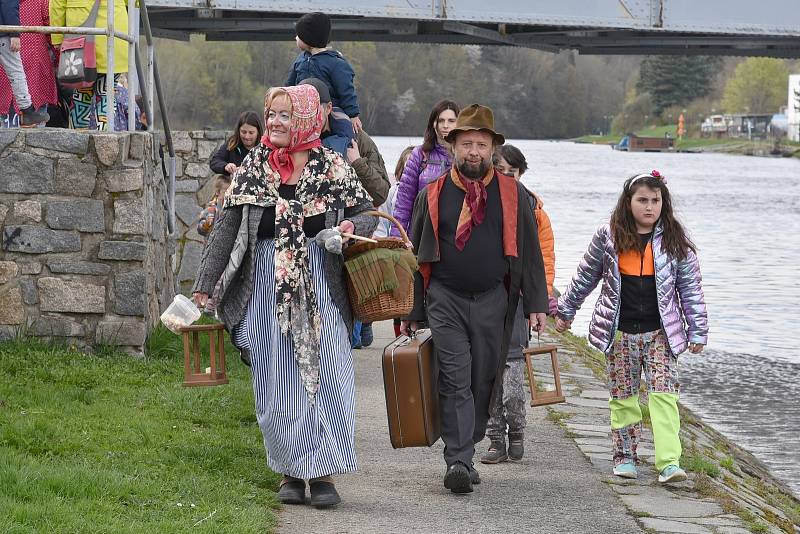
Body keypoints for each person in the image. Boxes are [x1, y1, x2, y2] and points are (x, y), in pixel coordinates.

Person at [192, 85, 376, 508]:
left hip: (321, 287)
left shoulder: (332, 167)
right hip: (265, 288)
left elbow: (366, 213)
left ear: (308, 119)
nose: (273, 122)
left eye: (284, 116)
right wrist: (204, 284)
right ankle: (290, 473)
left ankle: (324, 474)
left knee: (328, 379)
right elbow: (225, 229)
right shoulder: (254, 165)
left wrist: (350, 230)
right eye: (270, 114)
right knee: (277, 384)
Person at [400, 104, 549, 494]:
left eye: (481, 145)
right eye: (466, 144)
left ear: (492, 149)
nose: (473, 152)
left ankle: (467, 447)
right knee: (454, 377)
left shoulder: (513, 193)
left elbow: (531, 252)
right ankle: (458, 461)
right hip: (445, 298)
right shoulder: (432, 194)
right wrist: (413, 311)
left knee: (484, 378)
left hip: (493, 300)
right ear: (452, 146)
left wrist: (537, 304)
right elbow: (416, 255)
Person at [555, 170, 708, 484]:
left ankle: (669, 462)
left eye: (655, 200)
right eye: (642, 200)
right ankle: (625, 458)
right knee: (624, 397)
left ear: (663, 204)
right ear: (628, 202)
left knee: (664, 395)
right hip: (621, 331)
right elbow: (585, 276)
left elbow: (691, 289)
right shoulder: (608, 235)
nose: (649, 207)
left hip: (660, 334)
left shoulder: (675, 240)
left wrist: (698, 330)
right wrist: (566, 310)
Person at [481, 144, 557, 464]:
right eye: (501, 171)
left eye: (513, 173)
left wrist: (543, 297)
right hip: (486, 297)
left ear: (520, 174)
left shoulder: (534, 209)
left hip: (518, 299)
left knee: (512, 372)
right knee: (487, 371)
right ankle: (495, 436)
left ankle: (518, 428)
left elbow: (543, 257)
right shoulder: (481, 202)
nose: (507, 178)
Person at [299, 77, 389, 206]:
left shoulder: (356, 137)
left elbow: (381, 195)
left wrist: (358, 164)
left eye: (313, 109)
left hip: (349, 218)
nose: (307, 116)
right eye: (302, 110)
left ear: (328, 108)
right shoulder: (288, 141)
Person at [50, 0, 128, 130]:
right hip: (113, 35)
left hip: (80, 37)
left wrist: (57, 38)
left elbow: (57, 5)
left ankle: (77, 140)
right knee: (106, 93)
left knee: (81, 90)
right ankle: (104, 140)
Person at [390, 100, 459, 237]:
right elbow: (404, 202)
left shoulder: (463, 157)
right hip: (420, 234)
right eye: (441, 120)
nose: (445, 125)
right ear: (433, 123)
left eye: (451, 120)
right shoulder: (419, 155)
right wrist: (397, 238)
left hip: (454, 236)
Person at [286, 12, 362, 133]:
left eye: (299, 35)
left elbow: (346, 90)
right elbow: (289, 86)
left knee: (344, 134)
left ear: (308, 38)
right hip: (304, 112)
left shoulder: (336, 63)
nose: (296, 38)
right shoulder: (300, 60)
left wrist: (353, 115)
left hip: (331, 114)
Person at [374, 145, 414, 338]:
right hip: (397, 250)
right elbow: (384, 219)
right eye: (407, 168)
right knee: (399, 297)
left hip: (417, 250)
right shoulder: (393, 192)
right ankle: (400, 339)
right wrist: (382, 242)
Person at [0, 0, 51, 126]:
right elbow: (9, 5)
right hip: (4, 35)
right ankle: (27, 110)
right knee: (16, 73)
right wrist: (14, 32)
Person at [196, 174, 232, 316]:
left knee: (222, 279)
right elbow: (200, 229)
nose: (228, 195)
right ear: (218, 192)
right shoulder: (210, 210)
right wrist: (206, 224)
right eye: (226, 192)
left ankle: (211, 306)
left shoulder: (229, 209)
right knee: (212, 278)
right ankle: (206, 306)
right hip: (211, 250)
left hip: (225, 250)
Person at [209, 111, 263, 179]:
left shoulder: (264, 148)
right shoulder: (232, 144)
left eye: (251, 133)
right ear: (238, 130)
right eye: (243, 132)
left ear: (258, 132)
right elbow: (214, 161)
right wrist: (225, 166)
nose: (247, 136)